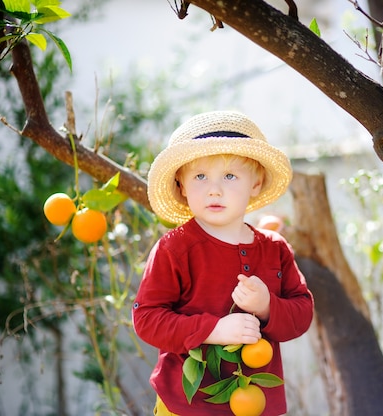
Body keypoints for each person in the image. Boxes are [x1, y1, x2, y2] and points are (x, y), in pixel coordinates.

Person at [132, 110, 314, 415]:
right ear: (181, 185)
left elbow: (302, 313)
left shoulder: (274, 249)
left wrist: (267, 305)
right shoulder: (175, 248)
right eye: (200, 176)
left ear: (255, 184)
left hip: (256, 403)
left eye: (230, 176)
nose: (214, 189)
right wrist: (213, 330)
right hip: (186, 405)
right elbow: (147, 318)